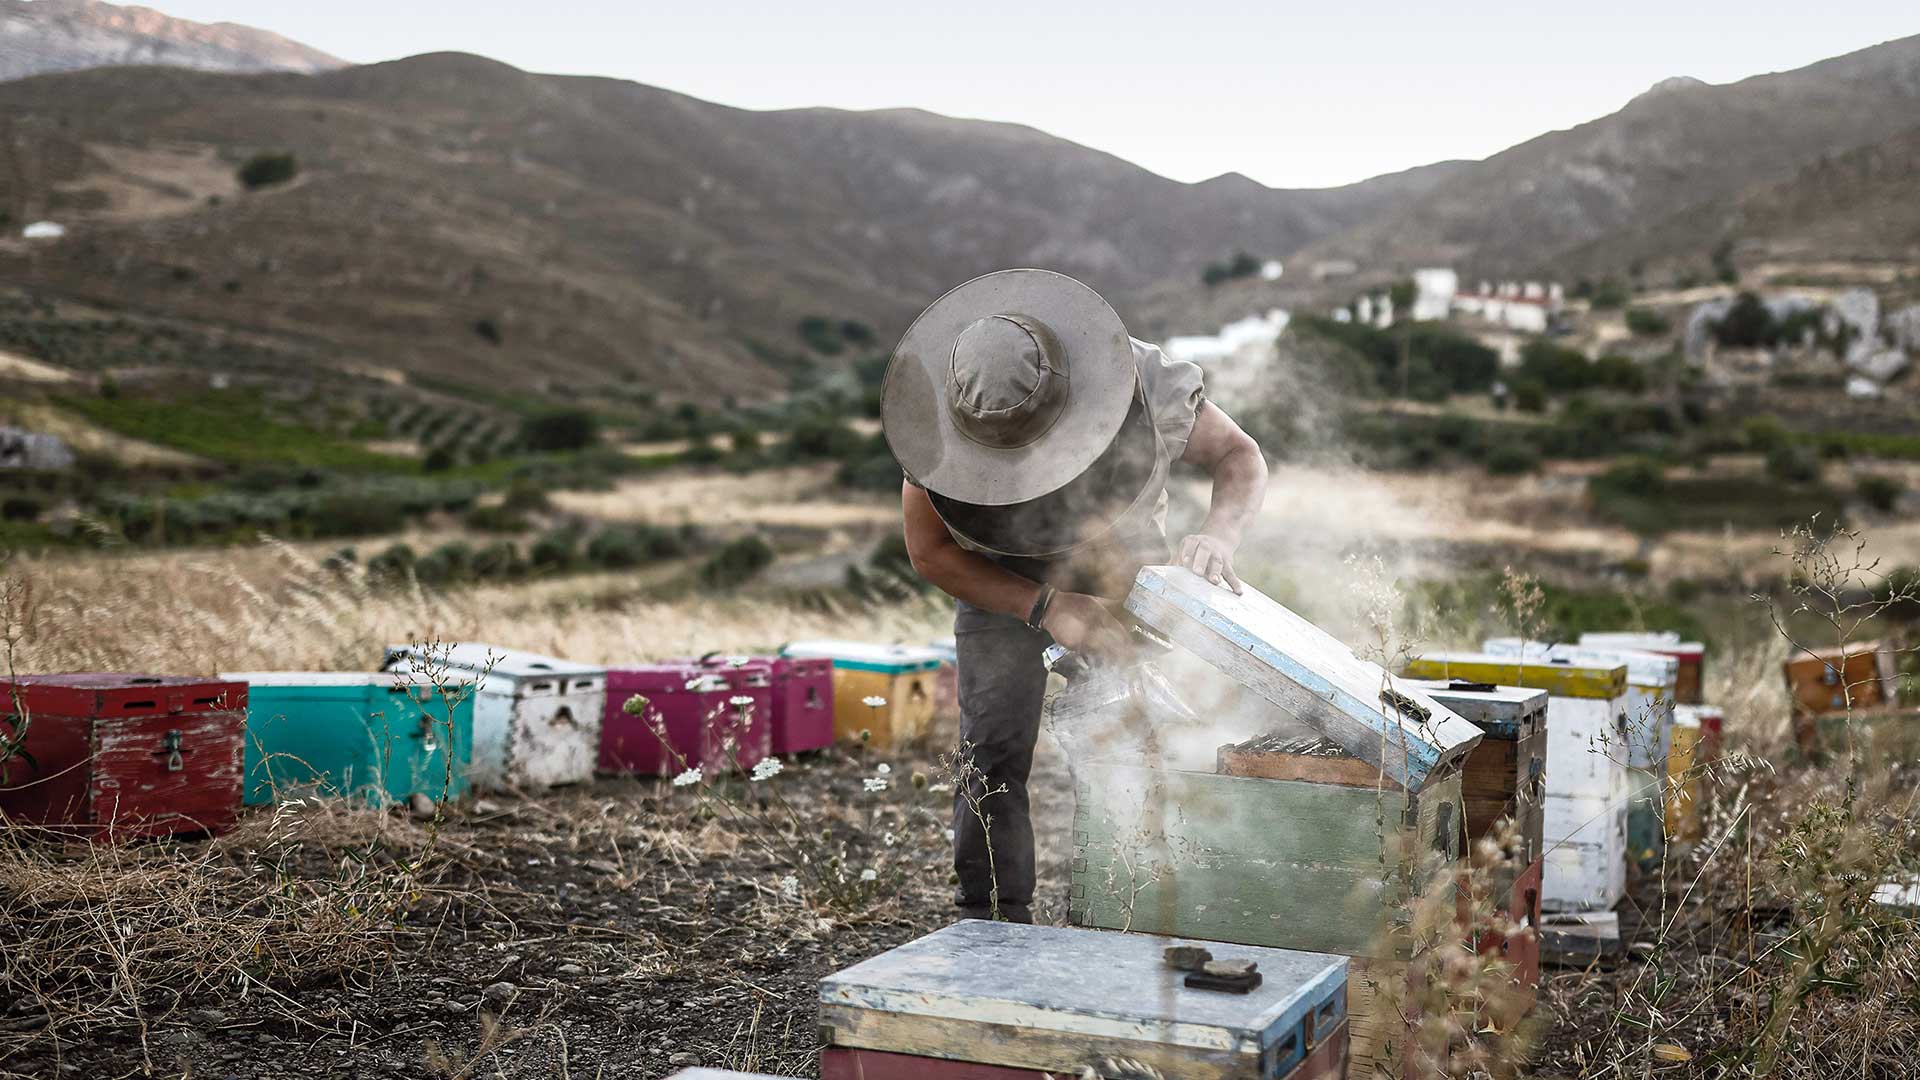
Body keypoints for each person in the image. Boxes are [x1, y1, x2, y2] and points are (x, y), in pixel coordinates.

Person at [880, 268, 1267, 922]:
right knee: (992, 750)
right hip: (999, 584)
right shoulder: (932, 426)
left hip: (1123, 571)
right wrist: (1045, 606)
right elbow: (930, 553)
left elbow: (1240, 456)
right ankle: (994, 925)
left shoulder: (1144, 380)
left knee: (1154, 734)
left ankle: (1150, 910)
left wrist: (1219, 535)